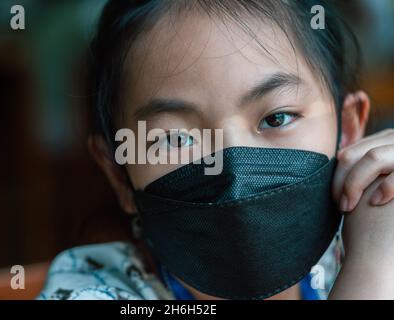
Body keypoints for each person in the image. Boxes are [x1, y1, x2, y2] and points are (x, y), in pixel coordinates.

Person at [38, 0, 394, 300]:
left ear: (347, 130)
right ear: (118, 174)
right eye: (176, 139)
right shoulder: (90, 291)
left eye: (277, 118)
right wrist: (370, 272)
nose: (233, 174)